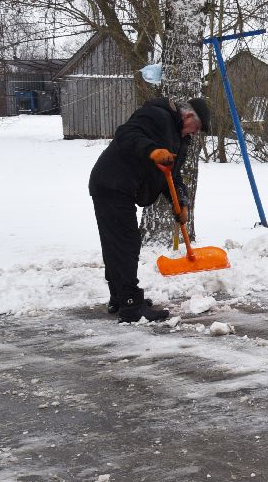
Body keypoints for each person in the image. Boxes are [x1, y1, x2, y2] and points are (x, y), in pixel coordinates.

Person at [88, 96, 212, 323]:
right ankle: (130, 306)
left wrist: (181, 203)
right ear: (187, 116)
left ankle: (120, 296)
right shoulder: (156, 115)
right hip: (112, 183)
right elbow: (126, 135)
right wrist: (152, 150)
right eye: (197, 128)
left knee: (118, 244)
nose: (195, 134)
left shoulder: (179, 140)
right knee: (125, 243)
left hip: (123, 188)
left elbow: (172, 177)